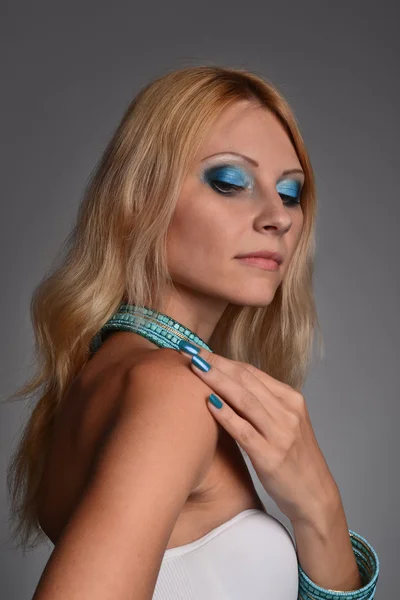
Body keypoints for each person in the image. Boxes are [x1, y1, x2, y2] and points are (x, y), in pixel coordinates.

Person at [5, 65, 379, 599]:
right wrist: (318, 501)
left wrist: (318, 506)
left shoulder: (102, 377)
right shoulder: (173, 390)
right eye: (230, 182)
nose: (278, 216)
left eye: (291, 192)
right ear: (138, 201)